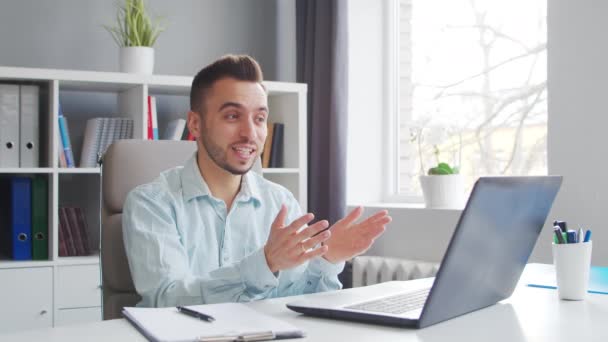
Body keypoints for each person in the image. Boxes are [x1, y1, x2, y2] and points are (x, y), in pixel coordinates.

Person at [122, 54, 391, 307]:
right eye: (232, 116)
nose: (249, 133)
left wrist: (328, 258)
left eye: (259, 118)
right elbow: (167, 300)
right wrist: (264, 263)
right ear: (195, 124)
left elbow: (294, 302)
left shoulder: (280, 201)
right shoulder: (151, 202)